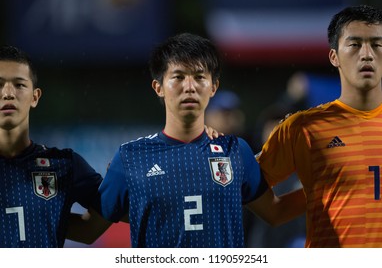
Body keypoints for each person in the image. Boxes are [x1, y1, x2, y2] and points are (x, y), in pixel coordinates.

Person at [89, 32, 305, 248]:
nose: (190, 86)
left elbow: (276, 212)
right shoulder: (130, 158)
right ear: (159, 87)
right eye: (179, 77)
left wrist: (326, 186)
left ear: (213, 87)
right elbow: (89, 230)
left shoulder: (236, 151)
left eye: (199, 77)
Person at [256, 4, 382, 248]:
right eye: (355, 45)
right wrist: (310, 197)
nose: (367, 54)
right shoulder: (302, 128)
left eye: (377, 44)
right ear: (334, 57)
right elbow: (256, 193)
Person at [0, 45, 104, 247]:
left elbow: (89, 231)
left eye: (20, 85)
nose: (8, 94)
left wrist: (117, 185)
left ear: (35, 97)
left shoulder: (63, 164)